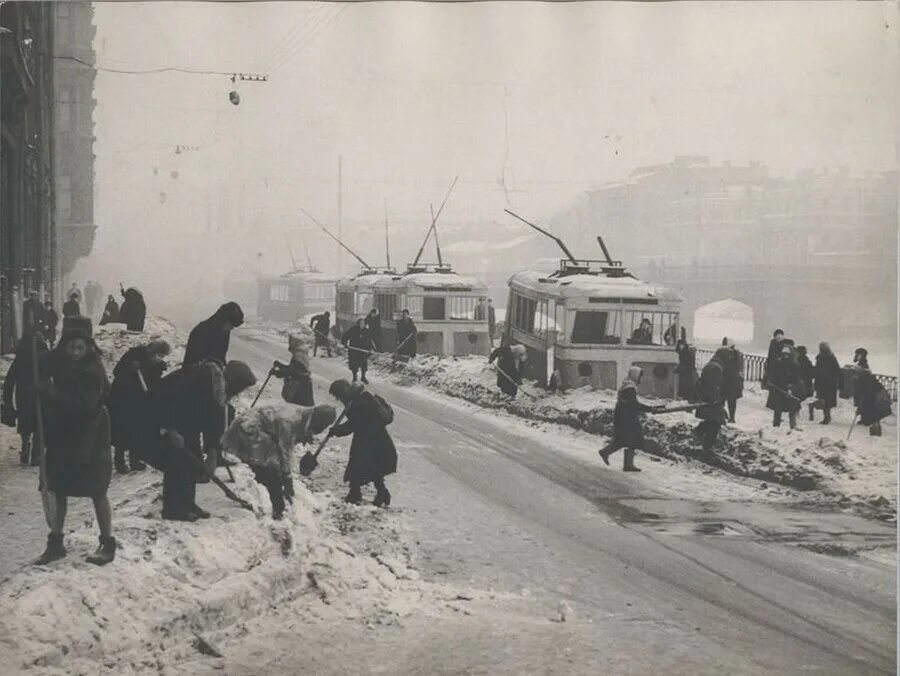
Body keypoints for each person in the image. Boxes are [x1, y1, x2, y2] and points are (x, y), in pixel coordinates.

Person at [34, 317, 116, 566]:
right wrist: (33, 343)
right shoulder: (61, 360)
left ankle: (107, 543)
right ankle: (56, 543)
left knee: (97, 490)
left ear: (88, 346)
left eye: (80, 347)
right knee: (58, 487)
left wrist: (51, 394)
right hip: (65, 435)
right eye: (70, 347)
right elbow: (42, 362)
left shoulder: (93, 372)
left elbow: (83, 407)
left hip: (91, 435)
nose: (75, 352)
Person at [136, 360, 256, 521]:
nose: (239, 392)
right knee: (177, 462)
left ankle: (187, 503)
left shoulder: (218, 389)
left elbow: (215, 422)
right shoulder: (199, 379)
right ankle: (174, 510)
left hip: (185, 422)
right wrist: (171, 429)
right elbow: (174, 400)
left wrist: (213, 453)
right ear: (233, 382)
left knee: (193, 461)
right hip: (161, 413)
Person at [222, 403, 336, 519]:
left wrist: (305, 434)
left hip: (265, 430)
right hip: (249, 428)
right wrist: (287, 478)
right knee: (270, 470)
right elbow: (284, 450)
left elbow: (289, 440)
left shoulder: (305, 414)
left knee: (274, 468)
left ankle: (273, 495)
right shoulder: (289, 420)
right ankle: (277, 509)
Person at [329, 379, 397, 507]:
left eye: (337, 396)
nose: (338, 399)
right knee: (372, 467)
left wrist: (337, 431)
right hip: (373, 437)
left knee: (360, 465)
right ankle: (377, 493)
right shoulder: (357, 398)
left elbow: (354, 424)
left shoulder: (360, 402)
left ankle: (358, 493)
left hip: (371, 439)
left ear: (343, 392)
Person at [109, 340, 171, 474]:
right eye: (158, 355)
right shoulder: (133, 355)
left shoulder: (157, 364)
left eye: (162, 357)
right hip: (123, 398)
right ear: (152, 352)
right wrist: (130, 368)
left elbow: (153, 383)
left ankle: (135, 460)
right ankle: (119, 462)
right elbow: (117, 372)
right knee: (122, 431)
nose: (159, 359)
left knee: (138, 431)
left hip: (141, 401)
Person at [598, 366, 662, 472]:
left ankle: (606, 452)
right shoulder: (630, 388)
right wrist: (649, 409)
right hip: (627, 417)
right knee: (633, 439)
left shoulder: (627, 385)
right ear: (635, 376)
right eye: (640, 376)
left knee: (622, 439)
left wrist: (649, 409)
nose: (640, 379)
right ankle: (628, 464)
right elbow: (634, 404)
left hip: (623, 415)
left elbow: (631, 404)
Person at [2, 326, 50, 465]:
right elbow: (52, 375)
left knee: (25, 423)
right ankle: (36, 454)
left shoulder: (21, 357)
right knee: (39, 423)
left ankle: (25, 447)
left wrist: (7, 399)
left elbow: (10, 379)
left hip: (24, 395)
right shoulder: (45, 356)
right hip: (41, 394)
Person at [184, 302, 244, 367]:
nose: (232, 328)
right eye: (231, 324)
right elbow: (194, 362)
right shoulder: (201, 332)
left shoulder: (224, 332)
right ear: (223, 320)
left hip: (214, 372)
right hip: (196, 372)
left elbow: (221, 358)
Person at [694, 348, 729, 451]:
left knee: (712, 422)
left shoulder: (713, 364)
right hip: (711, 401)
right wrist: (715, 400)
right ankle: (706, 446)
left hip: (707, 399)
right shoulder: (716, 368)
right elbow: (714, 386)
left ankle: (701, 435)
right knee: (716, 423)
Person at [766, 344, 803, 430]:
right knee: (778, 408)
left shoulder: (794, 364)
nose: (785, 356)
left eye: (787, 354)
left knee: (792, 407)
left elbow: (795, 378)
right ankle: (776, 426)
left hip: (790, 389)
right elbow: (773, 374)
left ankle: (793, 425)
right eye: (783, 354)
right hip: (778, 388)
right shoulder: (777, 363)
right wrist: (771, 382)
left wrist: (791, 388)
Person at [273, 334, 314, 406]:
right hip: (303, 385)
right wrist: (280, 365)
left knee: (299, 409)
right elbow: (293, 368)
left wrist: (277, 373)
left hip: (300, 388)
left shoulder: (299, 354)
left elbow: (291, 371)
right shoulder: (301, 353)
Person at [810, 342, 841, 424]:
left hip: (822, 382)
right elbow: (837, 370)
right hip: (830, 383)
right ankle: (827, 417)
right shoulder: (831, 357)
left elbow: (817, 370)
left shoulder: (820, 358)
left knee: (824, 401)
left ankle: (826, 418)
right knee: (827, 401)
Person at [856, 370, 892, 437]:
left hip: (876, 403)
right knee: (876, 417)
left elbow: (865, 399)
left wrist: (859, 409)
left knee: (874, 417)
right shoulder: (872, 381)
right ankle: (876, 433)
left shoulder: (867, 385)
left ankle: (876, 434)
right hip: (879, 402)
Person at [341, 318, 371, 384]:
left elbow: (369, 342)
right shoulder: (353, 330)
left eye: (363, 323)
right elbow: (345, 336)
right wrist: (344, 343)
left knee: (363, 365)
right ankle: (354, 377)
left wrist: (369, 350)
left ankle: (363, 377)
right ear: (358, 324)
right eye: (361, 323)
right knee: (354, 365)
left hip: (363, 351)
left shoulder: (367, 331)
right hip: (354, 351)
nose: (362, 325)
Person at [721, 338, 744, 423]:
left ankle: (728, 417)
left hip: (729, 380)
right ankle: (730, 417)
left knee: (726, 399)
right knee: (731, 400)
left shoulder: (734, 354)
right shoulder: (737, 354)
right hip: (731, 381)